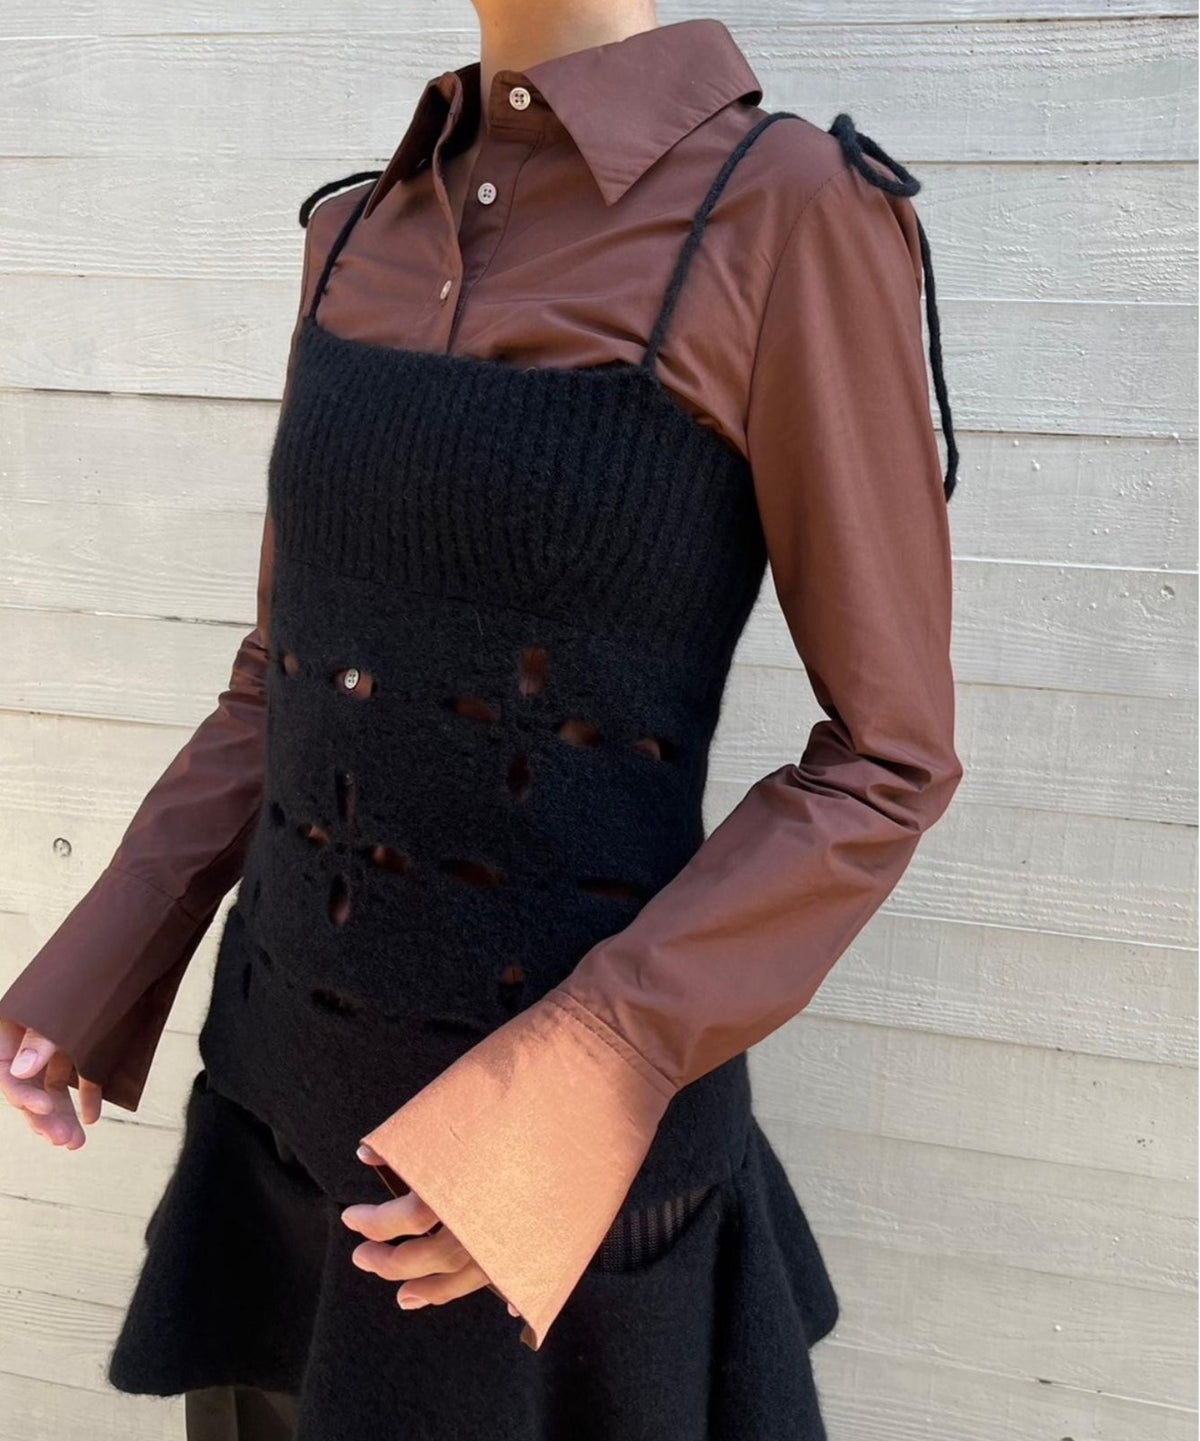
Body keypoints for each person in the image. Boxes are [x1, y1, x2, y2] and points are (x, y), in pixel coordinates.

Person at [0, 4, 964, 1438]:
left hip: (556, 1211)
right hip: (279, 1140)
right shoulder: (355, 232)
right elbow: (286, 672)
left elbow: (885, 760)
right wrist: (108, 954)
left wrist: (576, 1088)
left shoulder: (789, 213)